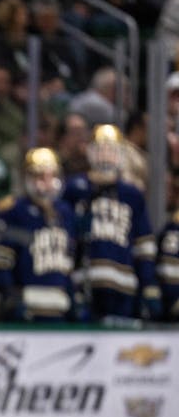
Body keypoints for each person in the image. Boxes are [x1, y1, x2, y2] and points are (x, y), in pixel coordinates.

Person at [62, 124, 159, 322]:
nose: (105, 155)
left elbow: (144, 244)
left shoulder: (131, 194)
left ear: (121, 154)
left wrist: (147, 284)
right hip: (84, 280)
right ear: (90, 152)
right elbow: (64, 236)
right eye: (100, 149)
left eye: (111, 150)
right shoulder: (75, 188)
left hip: (123, 283)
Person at [0, 148, 78, 323]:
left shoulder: (65, 213)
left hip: (60, 307)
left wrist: (73, 295)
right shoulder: (16, 211)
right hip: (27, 307)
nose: (47, 183)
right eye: (40, 177)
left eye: (51, 176)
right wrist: (9, 293)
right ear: (28, 179)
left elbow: (72, 259)